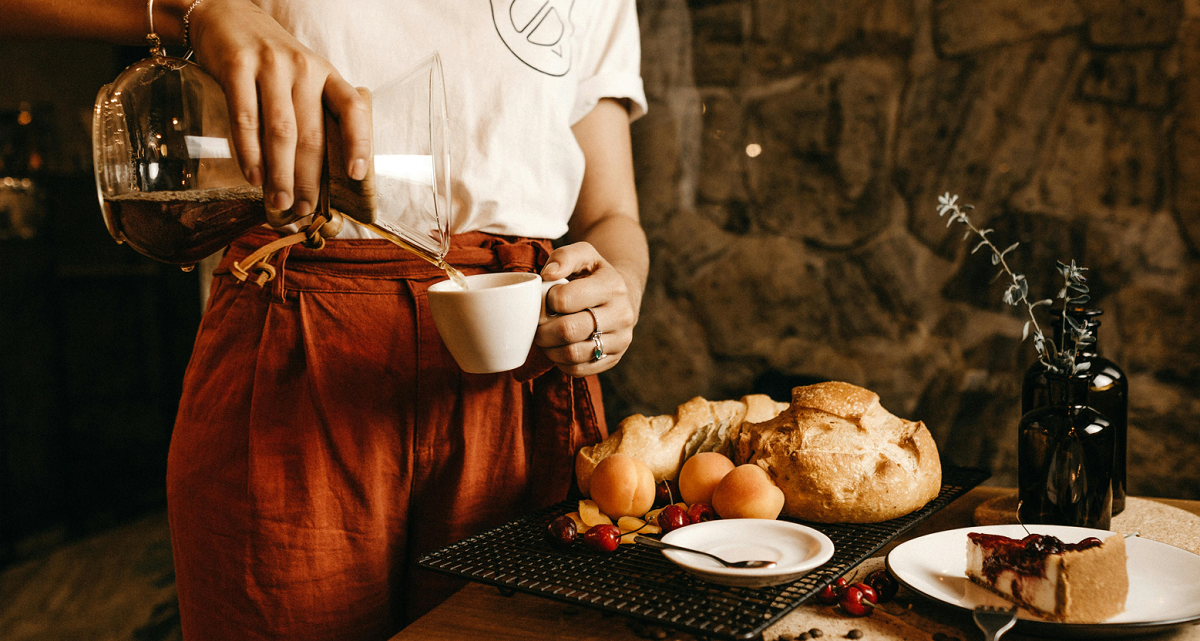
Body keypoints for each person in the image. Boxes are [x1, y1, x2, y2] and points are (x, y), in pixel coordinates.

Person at [2, 0, 649, 638]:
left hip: (512, 370)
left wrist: (619, 286)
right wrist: (201, 8)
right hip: (291, 338)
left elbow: (612, 216)